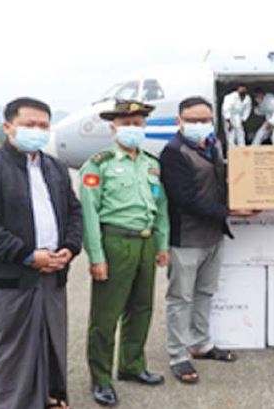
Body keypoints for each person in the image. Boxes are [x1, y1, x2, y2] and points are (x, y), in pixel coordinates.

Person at [0, 97, 83, 409]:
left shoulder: (55, 168)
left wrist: (69, 248)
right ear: (8, 127)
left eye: (43, 125)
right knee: (13, 353)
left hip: (53, 275)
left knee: (51, 343)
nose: (37, 131)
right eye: (29, 124)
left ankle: (49, 398)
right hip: (11, 279)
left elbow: (74, 212)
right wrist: (28, 255)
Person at [80, 100, 170, 406]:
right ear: (113, 128)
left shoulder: (151, 164)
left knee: (142, 308)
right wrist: (96, 256)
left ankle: (132, 365)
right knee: (106, 315)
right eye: (126, 123)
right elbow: (89, 214)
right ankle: (101, 378)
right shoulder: (99, 164)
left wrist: (162, 244)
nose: (132, 128)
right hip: (115, 242)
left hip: (146, 242)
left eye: (138, 123)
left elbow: (160, 207)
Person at [159, 96, 254, 384]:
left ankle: (200, 343)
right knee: (180, 298)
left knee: (205, 293)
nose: (200, 124)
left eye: (205, 120)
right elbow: (184, 199)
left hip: (213, 235)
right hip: (186, 238)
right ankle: (178, 354)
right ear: (179, 121)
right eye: (193, 120)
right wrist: (230, 211)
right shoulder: (173, 152)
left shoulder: (214, 144)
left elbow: (223, 183)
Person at [221, 83, 252, 148]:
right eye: (241, 89)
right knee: (231, 136)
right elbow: (226, 109)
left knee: (241, 134)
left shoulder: (247, 98)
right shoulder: (230, 97)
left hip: (238, 116)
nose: (242, 90)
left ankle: (242, 149)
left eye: (244, 89)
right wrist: (229, 122)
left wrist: (243, 120)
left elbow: (247, 110)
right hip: (229, 116)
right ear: (238, 89)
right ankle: (232, 151)